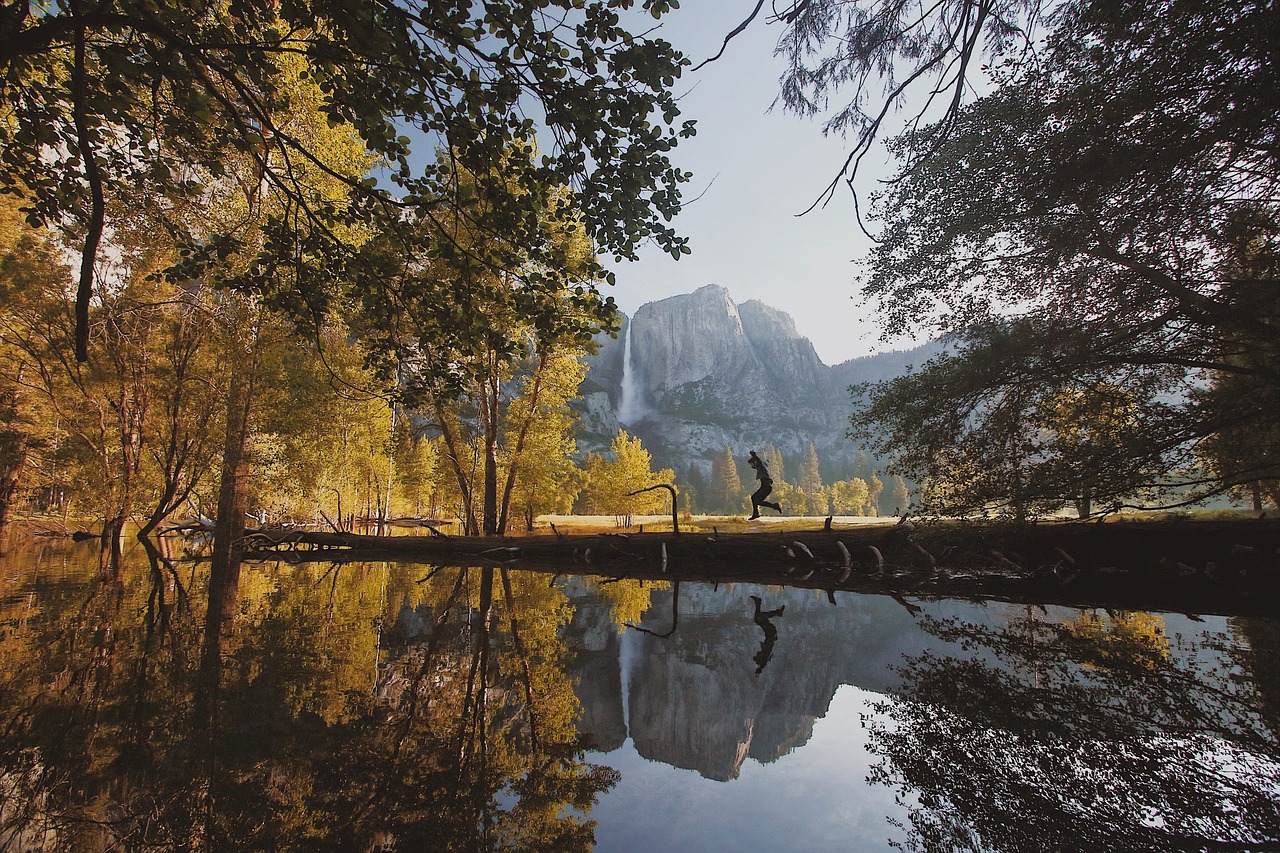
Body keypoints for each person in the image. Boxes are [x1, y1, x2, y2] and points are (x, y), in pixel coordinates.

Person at [746, 450, 782, 520]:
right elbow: (763, 463)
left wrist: (754, 455)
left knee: (754, 498)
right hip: (766, 487)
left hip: (766, 487)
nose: (752, 466)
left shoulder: (761, 465)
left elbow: (759, 461)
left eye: (753, 464)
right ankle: (774, 506)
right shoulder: (763, 467)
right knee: (757, 500)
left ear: (755, 462)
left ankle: (756, 513)